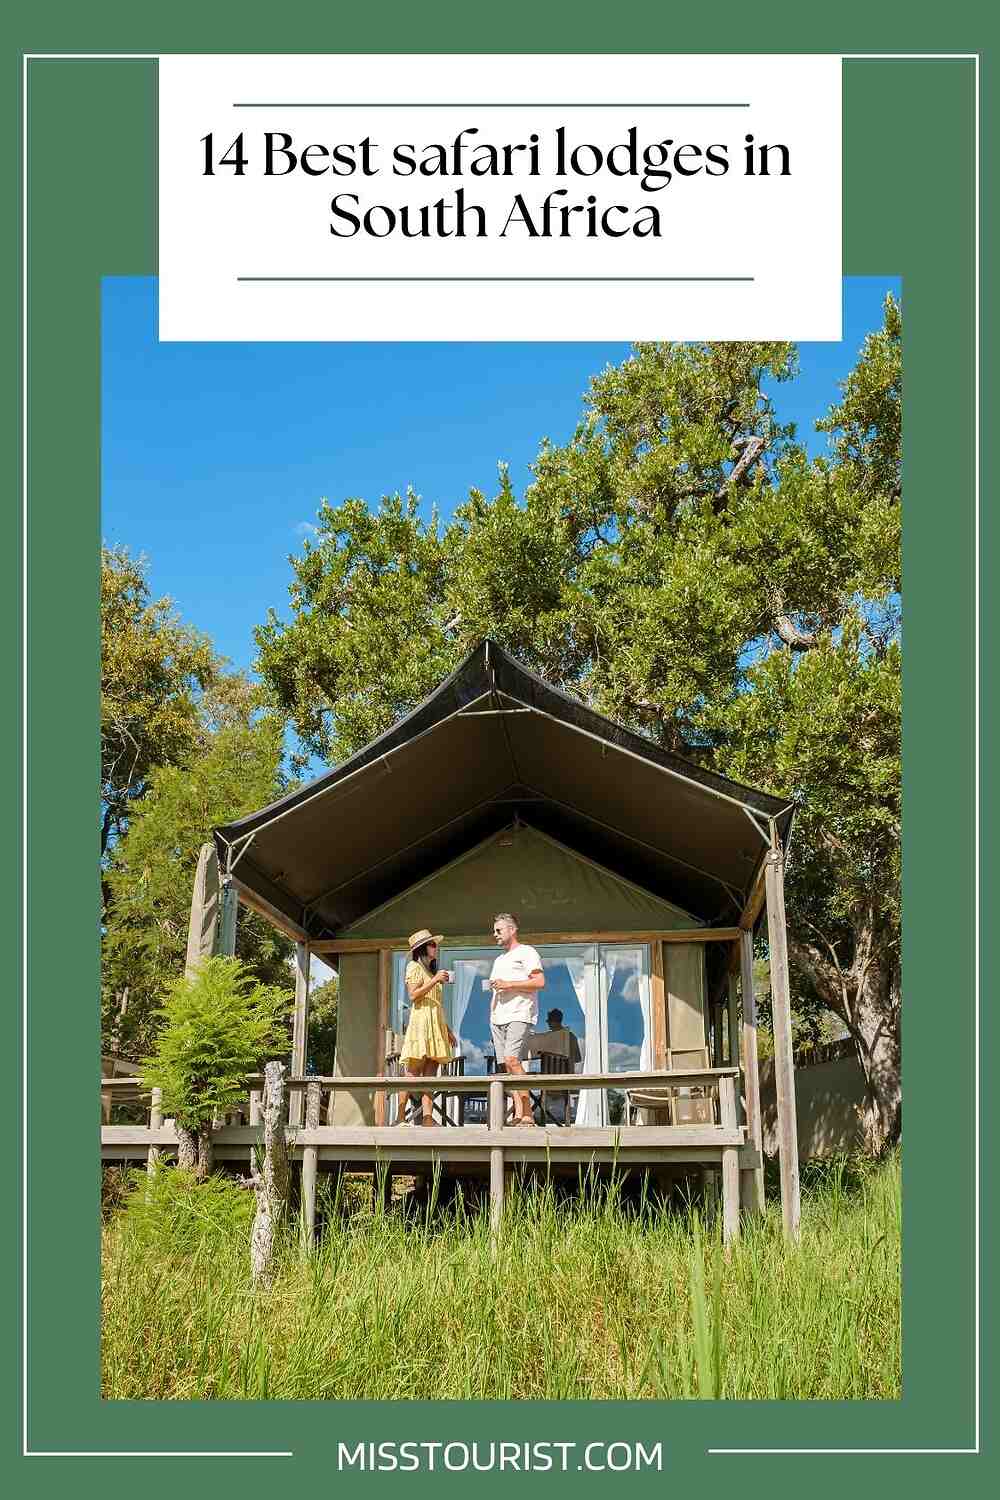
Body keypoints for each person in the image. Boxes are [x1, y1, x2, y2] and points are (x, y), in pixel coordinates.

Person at [489, 912, 545, 1126]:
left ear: (512, 930)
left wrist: (509, 984)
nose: (495, 934)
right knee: (506, 1067)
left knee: (513, 1060)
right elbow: (497, 988)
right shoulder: (499, 959)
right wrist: (491, 1014)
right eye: (494, 930)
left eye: (498, 930)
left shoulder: (527, 952)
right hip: (498, 1018)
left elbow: (539, 982)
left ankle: (528, 1114)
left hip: (519, 1014)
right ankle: (517, 1114)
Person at [396, 928, 456, 1126]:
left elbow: (435, 1004)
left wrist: (446, 1030)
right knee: (412, 1072)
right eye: (432, 944)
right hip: (421, 1023)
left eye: (435, 944)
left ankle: (428, 1118)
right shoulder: (414, 967)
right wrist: (435, 980)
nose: (435, 947)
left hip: (436, 1024)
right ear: (422, 948)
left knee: (431, 1073)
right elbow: (413, 996)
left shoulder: (431, 971)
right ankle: (400, 1116)